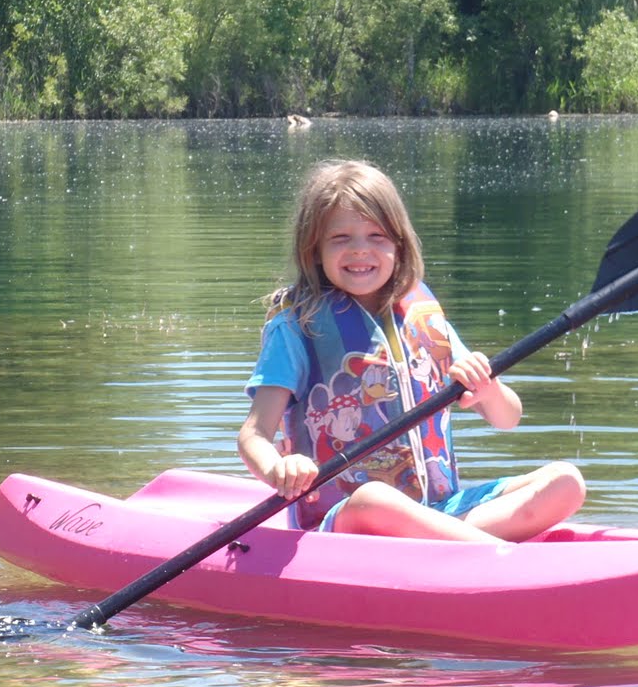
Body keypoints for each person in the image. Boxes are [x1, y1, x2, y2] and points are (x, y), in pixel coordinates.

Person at [239, 158, 586, 542]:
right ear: (314, 248)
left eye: (377, 236)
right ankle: (498, 557)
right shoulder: (296, 327)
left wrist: (488, 390)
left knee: (566, 482)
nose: (360, 251)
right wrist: (280, 468)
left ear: (399, 245)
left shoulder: (422, 319)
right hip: (346, 520)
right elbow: (253, 436)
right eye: (341, 239)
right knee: (373, 498)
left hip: (440, 508)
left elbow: (509, 418)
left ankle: (456, 543)